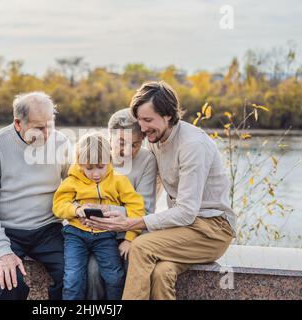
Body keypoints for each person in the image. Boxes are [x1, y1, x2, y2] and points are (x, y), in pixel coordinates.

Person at [85, 81, 236, 300]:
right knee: (161, 272)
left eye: (148, 120)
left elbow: (186, 211)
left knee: (140, 247)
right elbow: (151, 185)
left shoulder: (192, 145)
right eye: (140, 121)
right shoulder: (157, 139)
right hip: (184, 229)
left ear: (168, 115)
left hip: (212, 230)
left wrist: (131, 223)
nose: (143, 129)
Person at [0, 91, 70, 300]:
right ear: (18, 123)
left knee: (72, 277)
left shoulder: (61, 143)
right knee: (10, 285)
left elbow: (77, 184)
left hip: (48, 230)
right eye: (38, 127)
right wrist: (2, 251)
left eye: (49, 125)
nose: (46, 133)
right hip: (6, 230)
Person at [52, 132, 144, 300]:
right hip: (75, 235)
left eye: (101, 166)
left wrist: (129, 238)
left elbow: (136, 207)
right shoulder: (72, 181)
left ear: (109, 160)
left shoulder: (119, 181)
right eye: (89, 168)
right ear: (79, 163)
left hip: (106, 236)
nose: (95, 174)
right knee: (73, 278)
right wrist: (76, 209)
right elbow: (58, 205)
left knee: (114, 276)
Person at [86, 108, 158, 300]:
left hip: (132, 232)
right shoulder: (95, 155)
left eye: (135, 144)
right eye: (121, 143)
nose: (127, 151)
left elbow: (146, 209)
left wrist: (108, 211)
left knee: (129, 267)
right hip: (99, 234)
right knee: (92, 271)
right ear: (109, 137)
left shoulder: (146, 160)